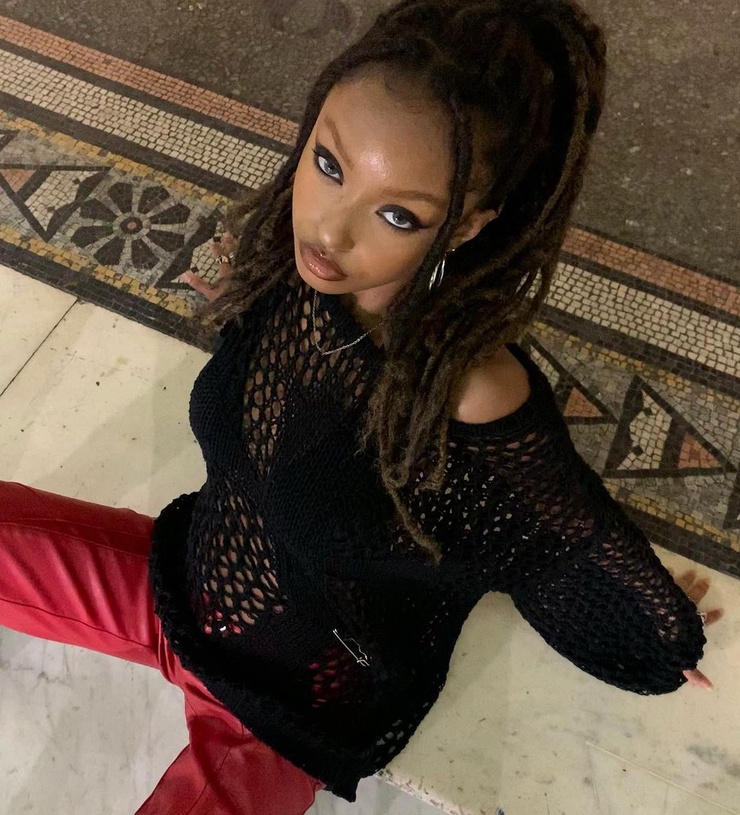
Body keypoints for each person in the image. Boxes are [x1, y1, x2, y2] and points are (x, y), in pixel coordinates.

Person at [0, 1, 723, 813]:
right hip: (178, 588)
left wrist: (645, 623)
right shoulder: (291, 265)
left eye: (398, 214)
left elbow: (552, 531)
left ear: (465, 228)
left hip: (287, 710)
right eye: (329, 164)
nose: (330, 230)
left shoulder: (467, 386)